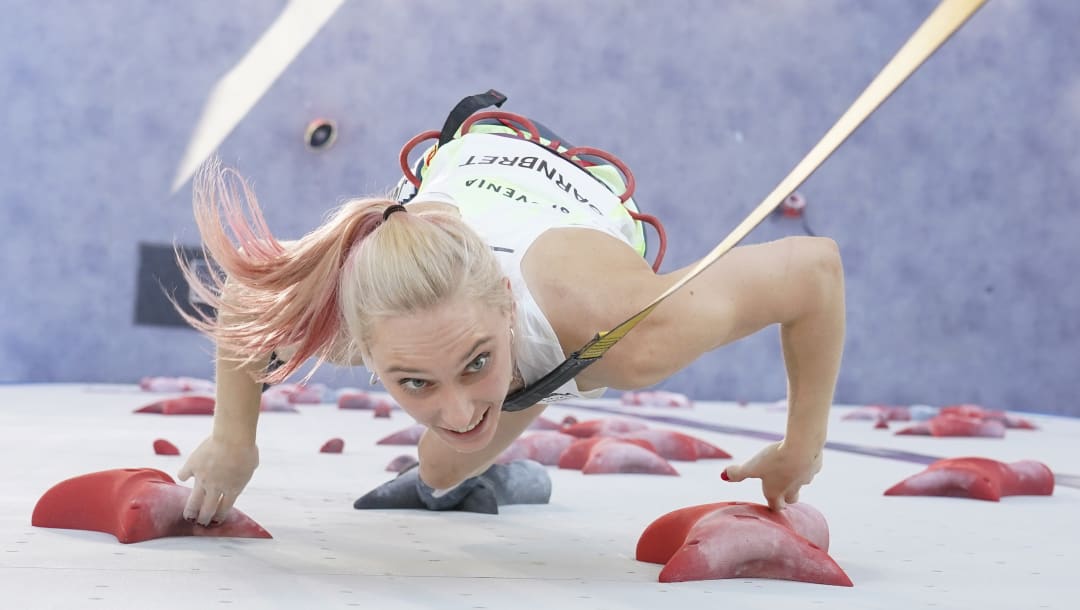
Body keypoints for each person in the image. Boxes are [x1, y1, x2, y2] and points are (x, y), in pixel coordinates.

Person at [174, 92, 845, 527]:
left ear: (504, 302)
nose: (459, 409)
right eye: (414, 382)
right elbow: (243, 297)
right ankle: (489, 404)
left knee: (452, 453)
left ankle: (515, 377)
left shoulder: (627, 330)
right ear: (367, 349)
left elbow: (815, 270)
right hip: (471, 151)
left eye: (475, 363)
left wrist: (801, 447)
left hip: (578, 199)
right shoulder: (343, 305)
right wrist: (235, 439)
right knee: (443, 466)